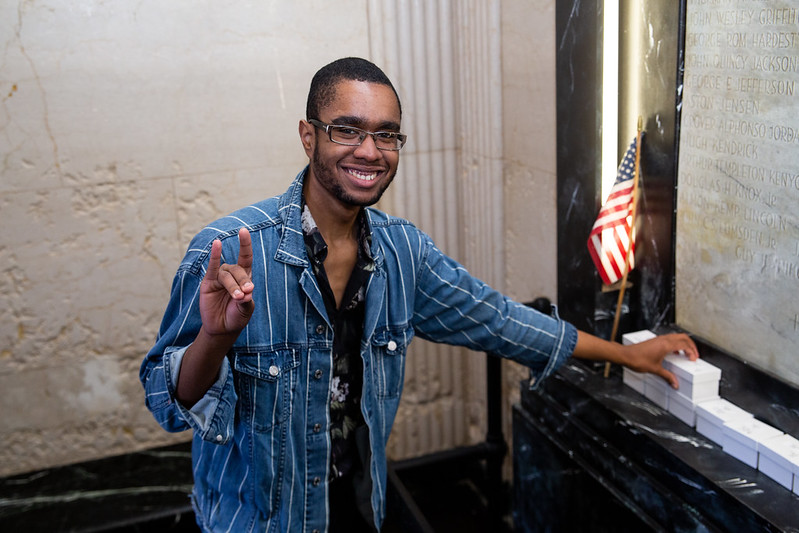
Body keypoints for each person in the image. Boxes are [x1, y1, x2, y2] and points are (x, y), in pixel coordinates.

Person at [140, 57, 698, 533]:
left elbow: (500, 321)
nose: (370, 150)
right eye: (347, 130)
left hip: (361, 507)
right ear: (309, 135)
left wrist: (626, 355)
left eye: (387, 134)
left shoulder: (402, 253)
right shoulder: (227, 250)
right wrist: (215, 338)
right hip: (257, 520)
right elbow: (168, 402)